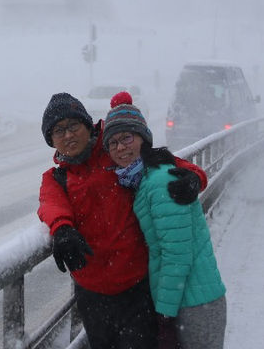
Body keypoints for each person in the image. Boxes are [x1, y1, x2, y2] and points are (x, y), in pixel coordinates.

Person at [37, 92, 208, 349]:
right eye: (59, 131)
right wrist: (62, 228)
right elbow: (50, 203)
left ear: (88, 126)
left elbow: (170, 164)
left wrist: (193, 177)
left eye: (73, 126)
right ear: (51, 140)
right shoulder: (56, 178)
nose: (68, 135)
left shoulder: (115, 152)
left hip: (136, 287)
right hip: (92, 293)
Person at [104, 91, 226, 349]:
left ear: (143, 138)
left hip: (194, 304)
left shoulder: (159, 182)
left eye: (127, 137)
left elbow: (176, 255)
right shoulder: (144, 178)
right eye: (113, 143)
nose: (120, 147)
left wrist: (165, 315)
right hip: (189, 299)